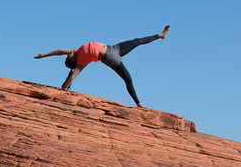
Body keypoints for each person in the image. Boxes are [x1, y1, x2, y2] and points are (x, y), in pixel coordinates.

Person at [34, 25, 171, 107]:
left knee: (137, 41)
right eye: (67, 57)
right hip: (110, 57)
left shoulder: (75, 51)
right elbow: (73, 76)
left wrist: (45, 55)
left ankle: (160, 35)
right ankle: (139, 103)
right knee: (128, 79)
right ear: (72, 60)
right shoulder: (81, 61)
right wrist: (62, 90)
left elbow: (59, 51)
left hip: (114, 48)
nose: (67, 54)